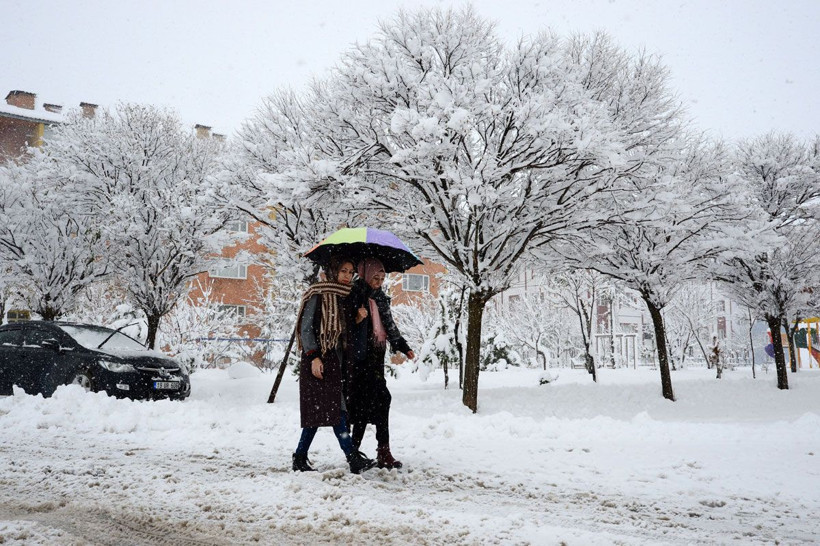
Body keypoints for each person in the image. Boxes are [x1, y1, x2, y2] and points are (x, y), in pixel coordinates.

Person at [291, 255, 376, 474]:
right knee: (334, 410)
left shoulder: (344, 297)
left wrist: (357, 318)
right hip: (318, 359)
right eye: (343, 271)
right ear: (333, 271)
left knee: (322, 411)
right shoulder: (317, 294)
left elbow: (343, 332)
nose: (347, 276)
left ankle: (300, 457)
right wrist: (314, 356)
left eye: (351, 272)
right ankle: (352, 457)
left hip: (336, 361)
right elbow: (305, 329)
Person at [347, 258, 415, 469]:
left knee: (373, 403)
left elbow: (389, 326)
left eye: (382, 278)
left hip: (376, 358)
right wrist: (356, 317)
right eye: (375, 277)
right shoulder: (354, 294)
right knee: (371, 402)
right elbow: (344, 325)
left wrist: (403, 346)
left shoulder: (381, 299)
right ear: (365, 274)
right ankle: (363, 451)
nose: (379, 282)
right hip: (359, 360)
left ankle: (369, 451)